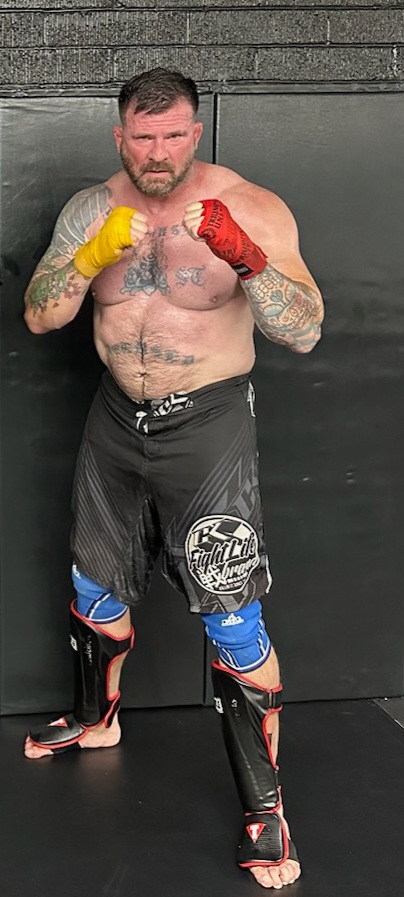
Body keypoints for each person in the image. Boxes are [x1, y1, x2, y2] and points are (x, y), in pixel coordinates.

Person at [23, 67, 324, 890]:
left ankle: (265, 809)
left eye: (172, 135)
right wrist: (88, 257)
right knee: (93, 581)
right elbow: (42, 313)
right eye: (142, 136)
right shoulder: (90, 209)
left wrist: (246, 258)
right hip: (115, 418)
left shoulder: (250, 206)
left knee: (232, 614)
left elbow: (304, 329)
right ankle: (98, 717)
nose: (157, 152)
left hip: (207, 426)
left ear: (195, 133)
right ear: (119, 135)